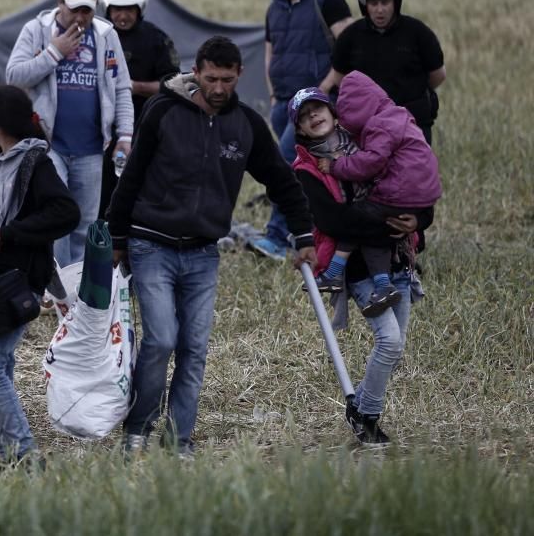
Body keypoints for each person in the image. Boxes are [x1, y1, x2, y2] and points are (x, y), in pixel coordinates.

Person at [108, 36, 317, 457]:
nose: (219, 88)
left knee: (195, 348)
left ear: (239, 74)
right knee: (162, 339)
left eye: (227, 79)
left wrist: (305, 237)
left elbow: (282, 182)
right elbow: (130, 177)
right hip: (152, 245)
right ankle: (138, 427)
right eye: (211, 79)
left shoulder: (246, 125)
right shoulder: (163, 110)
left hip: (204, 252)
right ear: (196, 72)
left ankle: (178, 438)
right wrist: (116, 238)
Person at [290, 89, 432, 445]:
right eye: (304, 116)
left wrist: (418, 221)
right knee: (389, 342)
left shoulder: (369, 144)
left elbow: (414, 185)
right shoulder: (306, 170)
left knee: (395, 349)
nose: (312, 116)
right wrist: (388, 223)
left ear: (335, 114)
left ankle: (363, 411)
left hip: (398, 260)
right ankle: (364, 415)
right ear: (301, 131)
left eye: (317, 109)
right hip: (356, 268)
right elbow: (335, 221)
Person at [0, 85, 79, 464]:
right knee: (1, 364)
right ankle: (10, 453)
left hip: (20, 278)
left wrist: (10, 233)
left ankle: (25, 453)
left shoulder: (35, 164)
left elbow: (65, 212)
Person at [6, 0, 133, 267]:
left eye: (86, 10)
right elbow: (14, 76)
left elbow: (121, 87)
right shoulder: (37, 30)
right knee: (56, 215)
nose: (80, 16)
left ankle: (77, 291)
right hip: (50, 146)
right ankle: (56, 284)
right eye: (74, 8)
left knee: (85, 221)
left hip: (90, 147)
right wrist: (54, 52)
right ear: (59, 3)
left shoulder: (105, 34)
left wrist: (124, 134)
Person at [250, 0, 354, 261]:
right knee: (304, 171)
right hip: (282, 102)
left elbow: (349, 46)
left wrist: (324, 88)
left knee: (283, 166)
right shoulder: (274, 7)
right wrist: (271, 91)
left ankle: (278, 237)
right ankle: (310, 231)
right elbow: (271, 50)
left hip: (311, 106)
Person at [311, 73, 441, 314]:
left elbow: (372, 162)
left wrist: (336, 166)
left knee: (357, 218)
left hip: (399, 192)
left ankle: (334, 272)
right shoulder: (399, 115)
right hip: (422, 195)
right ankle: (383, 285)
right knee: (376, 227)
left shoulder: (379, 125)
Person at [320, 0, 446, 144]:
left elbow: (438, 75)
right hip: (367, 128)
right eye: (374, 3)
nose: (380, 10)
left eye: (385, 2)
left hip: (414, 124)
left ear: (396, 2)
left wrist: (411, 94)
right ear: (365, 5)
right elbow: (341, 80)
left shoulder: (419, 33)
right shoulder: (349, 37)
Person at [96, 0, 180, 218]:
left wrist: (132, 86)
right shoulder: (95, 37)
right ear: (106, 8)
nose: (122, 16)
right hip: (100, 129)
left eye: (129, 9)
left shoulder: (157, 40)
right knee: (101, 189)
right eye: (117, 10)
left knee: (139, 184)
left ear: (140, 8)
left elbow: (174, 83)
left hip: (145, 126)